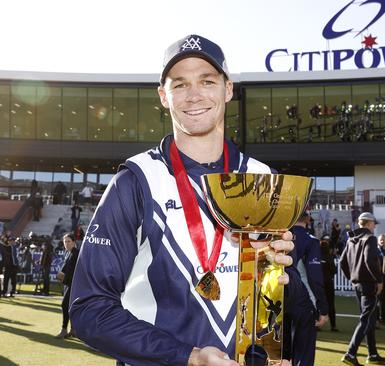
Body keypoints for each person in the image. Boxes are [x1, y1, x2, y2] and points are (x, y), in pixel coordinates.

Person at [69, 34, 294, 366]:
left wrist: (279, 278)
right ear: (163, 96)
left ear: (228, 89)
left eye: (206, 81)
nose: (194, 95)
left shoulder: (263, 179)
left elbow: (272, 302)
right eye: (180, 84)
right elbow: (89, 309)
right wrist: (187, 357)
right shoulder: (135, 181)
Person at [339, 212, 385, 365]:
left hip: (358, 284)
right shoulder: (370, 238)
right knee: (366, 319)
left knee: (369, 319)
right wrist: (379, 280)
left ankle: (372, 353)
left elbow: (342, 262)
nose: (375, 226)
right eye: (374, 224)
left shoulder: (351, 239)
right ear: (368, 223)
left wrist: (352, 277)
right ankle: (350, 353)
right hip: (368, 284)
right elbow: (369, 260)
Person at [285, 212, 329, 366]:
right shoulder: (311, 241)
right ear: (308, 220)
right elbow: (314, 278)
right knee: (303, 355)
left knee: (280, 356)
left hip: (278, 301)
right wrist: (323, 309)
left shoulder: (280, 237)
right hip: (302, 302)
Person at [55, 233, 79, 339]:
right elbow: (65, 268)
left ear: (74, 242)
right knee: (69, 306)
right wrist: (61, 274)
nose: (66, 243)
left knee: (65, 305)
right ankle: (73, 330)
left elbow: (73, 271)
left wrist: (63, 275)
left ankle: (64, 329)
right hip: (68, 283)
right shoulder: (68, 253)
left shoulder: (76, 253)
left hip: (74, 284)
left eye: (69, 241)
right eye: (65, 241)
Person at [320, 234, 338, 332]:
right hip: (328, 284)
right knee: (331, 304)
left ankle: (317, 324)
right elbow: (334, 270)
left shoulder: (317, 258)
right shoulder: (329, 258)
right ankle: (333, 325)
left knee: (318, 303)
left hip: (319, 284)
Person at [376, 234, 385, 325]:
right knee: (377, 299)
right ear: (378, 241)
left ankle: (383, 318)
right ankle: (377, 318)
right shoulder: (376, 250)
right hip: (378, 278)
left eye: (383, 239)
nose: (382, 241)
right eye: (380, 240)